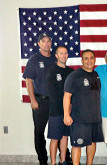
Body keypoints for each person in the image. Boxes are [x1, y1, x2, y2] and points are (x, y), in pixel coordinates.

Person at [63, 49, 104, 165]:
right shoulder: (75, 75)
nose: (89, 61)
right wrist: (66, 115)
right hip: (79, 118)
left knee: (92, 142)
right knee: (77, 145)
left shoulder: (96, 75)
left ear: (95, 60)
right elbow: (67, 96)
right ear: (82, 60)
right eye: (86, 58)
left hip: (95, 118)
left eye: (91, 58)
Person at [23, 33, 56, 165]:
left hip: (55, 102)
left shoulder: (56, 58)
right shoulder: (34, 60)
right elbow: (29, 80)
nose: (47, 43)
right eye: (44, 41)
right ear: (39, 44)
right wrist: (32, 100)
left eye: (49, 41)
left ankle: (64, 158)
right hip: (40, 101)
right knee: (39, 132)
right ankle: (42, 160)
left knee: (59, 131)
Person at [46, 46, 74, 165]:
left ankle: (63, 161)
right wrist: (63, 108)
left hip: (68, 111)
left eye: (66, 53)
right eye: (61, 53)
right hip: (56, 111)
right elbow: (52, 93)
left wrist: (69, 107)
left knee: (64, 137)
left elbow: (73, 92)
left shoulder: (71, 72)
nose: (64, 55)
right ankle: (53, 162)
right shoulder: (51, 71)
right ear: (56, 56)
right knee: (55, 138)